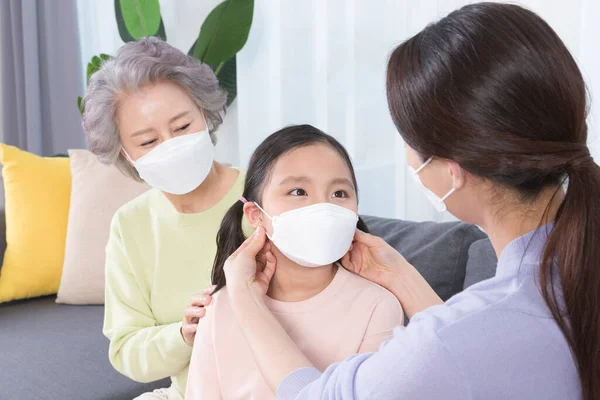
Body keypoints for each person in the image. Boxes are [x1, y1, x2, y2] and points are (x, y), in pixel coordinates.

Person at [216, 3, 600, 400]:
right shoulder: (543, 291)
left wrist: (244, 297)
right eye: (298, 191)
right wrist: (401, 277)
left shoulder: (447, 337)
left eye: (407, 139)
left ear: (451, 170)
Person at [185, 125, 403, 399]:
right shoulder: (219, 308)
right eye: (298, 191)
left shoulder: (378, 307)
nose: (322, 208)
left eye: (339, 193)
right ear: (255, 214)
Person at [82, 37, 244, 399]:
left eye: (182, 126)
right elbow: (126, 350)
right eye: (147, 141)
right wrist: (183, 334)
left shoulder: (268, 191)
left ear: (204, 113)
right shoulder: (131, 225)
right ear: (126, 153)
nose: (170, 145)